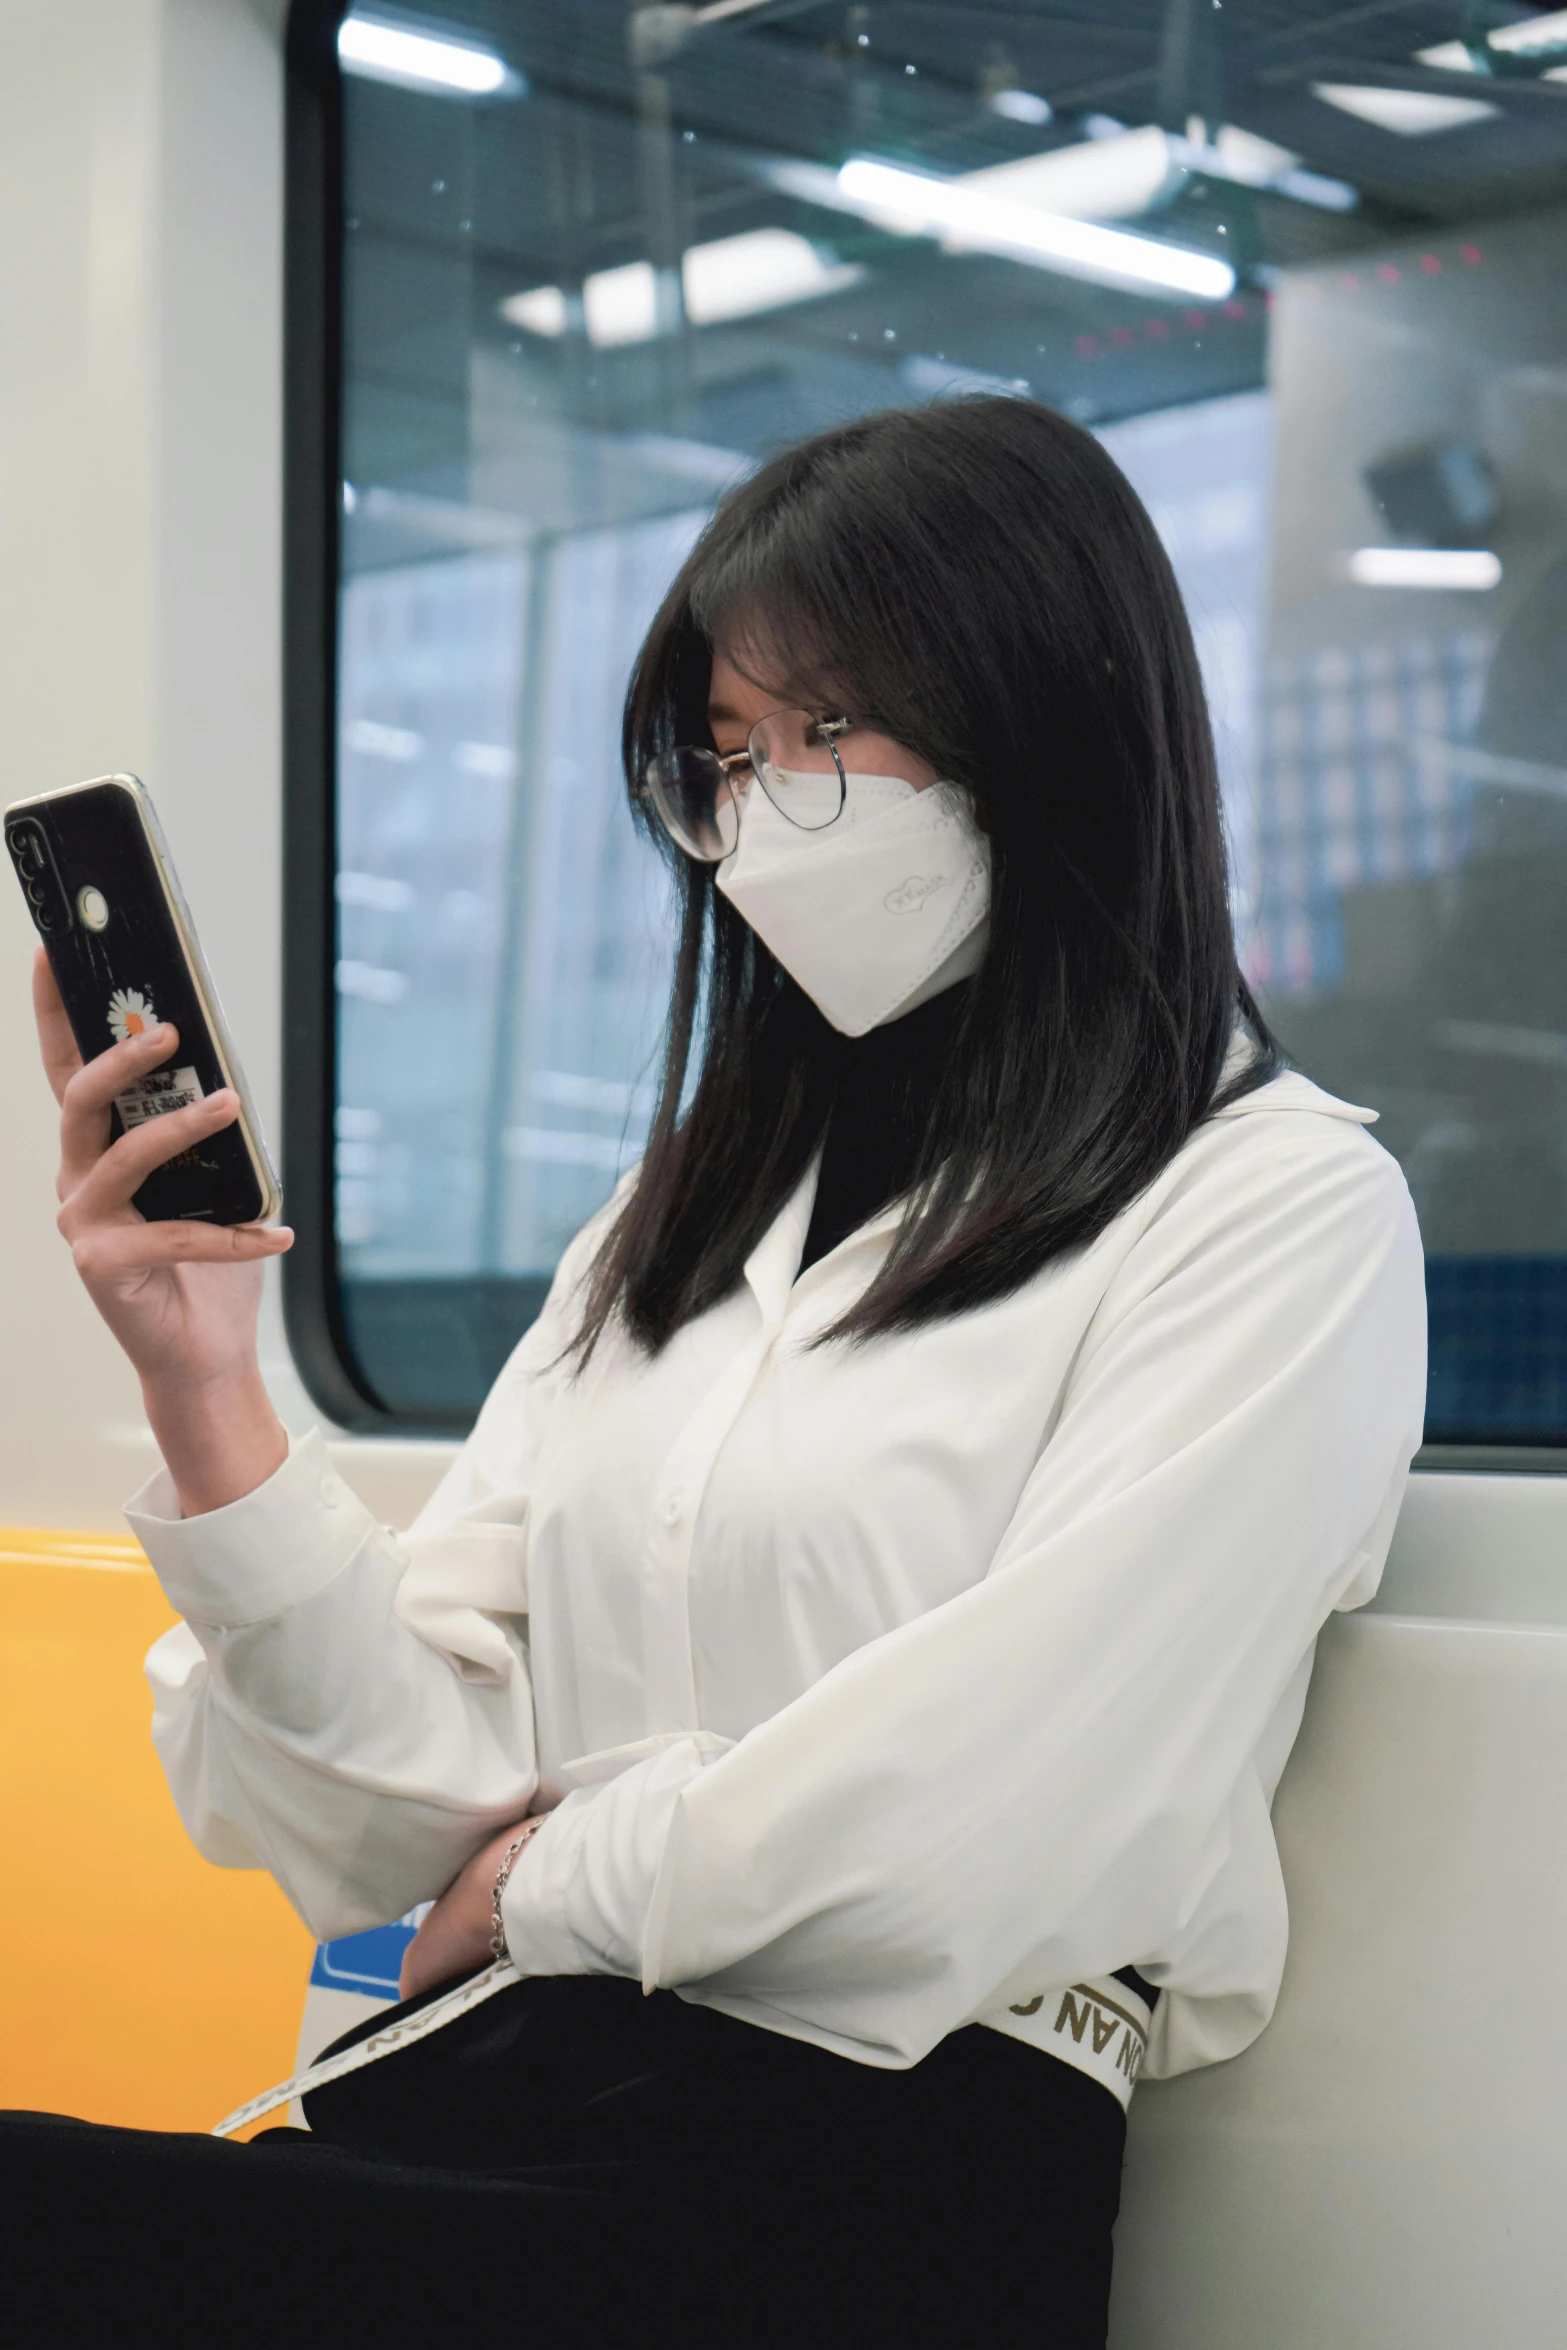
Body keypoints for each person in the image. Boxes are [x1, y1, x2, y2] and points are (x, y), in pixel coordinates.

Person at [2, 398, 1426, 2347]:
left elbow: (989, 1820)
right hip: (496, 2090)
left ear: (1050, 716)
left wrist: (554, 1876)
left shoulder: (1276, 1211)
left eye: (832, 729)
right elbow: (379, 1822)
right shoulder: (674, 1220)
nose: (766, 812)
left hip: (880, 2175)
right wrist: (206, 1393)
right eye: (728, 755)